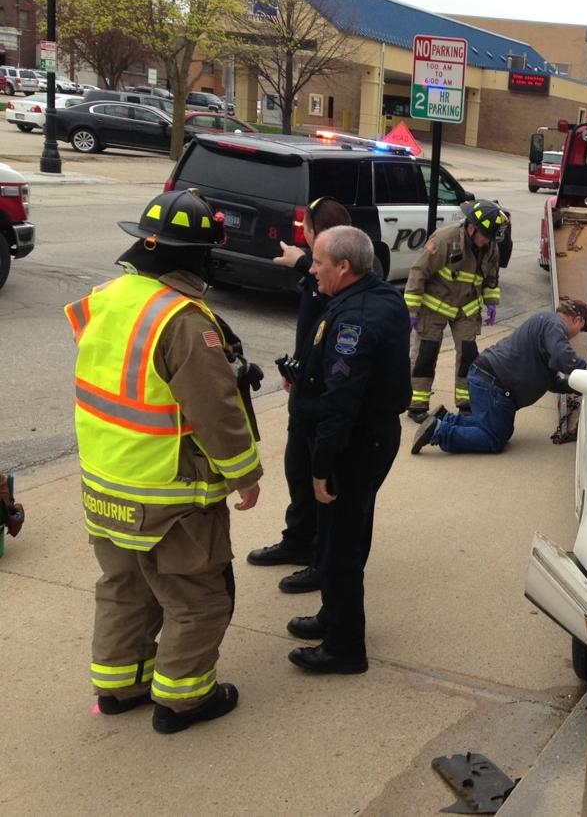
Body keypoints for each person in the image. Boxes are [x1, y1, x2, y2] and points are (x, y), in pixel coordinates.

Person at [65, 189, 261, 734]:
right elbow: (216, 411)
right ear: (194, 256)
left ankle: (120, 685)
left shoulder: (108, 297)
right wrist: (245, 474)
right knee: (199, 598)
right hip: (167, 499)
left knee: (124, 589)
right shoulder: (181, 319)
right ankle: (184, 699)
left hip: (104, 486)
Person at [286, 226, 411, 674]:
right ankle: (332, 615)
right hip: (371, 437)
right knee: (346, 532)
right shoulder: (378, 296)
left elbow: (342, 399)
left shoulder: (355, 319)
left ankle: (343, 648)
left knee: (340, 543)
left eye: (317, 262)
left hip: (354, 444)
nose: (312, 268)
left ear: (344, 267)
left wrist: (321, 464)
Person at [245, 197, 351, 595]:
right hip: (305, 388)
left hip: (324, 398)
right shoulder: (315, 270)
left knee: (318, 476)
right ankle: (297, 540)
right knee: (297, 468)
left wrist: (303, 263)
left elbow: (334, 306)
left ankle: (318, 558)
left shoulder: (333, 275)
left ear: (312, 230)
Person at [411, 299, 587, 456]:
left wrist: (576, 385)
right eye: (581, 330)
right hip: (494, 385)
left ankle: (445, 419)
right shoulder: (554, 324)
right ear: (577, 320)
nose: (576, 336)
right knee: (494, 437)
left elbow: (551, 382)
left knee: (490, 425)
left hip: (487, 378)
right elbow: (563, 356)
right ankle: (439, 431)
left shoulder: (546, 325)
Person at [403, 200, 505, 421]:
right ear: (471, 228)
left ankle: (466, 403)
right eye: (485, 235)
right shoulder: (444, 239)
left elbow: (491, 279)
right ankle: (417, 405)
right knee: (425, 355)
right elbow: (417, 273)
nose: (488, 241)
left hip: (466, 308)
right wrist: (412, 310)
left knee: (469, 356)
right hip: (434, 306)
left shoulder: (490, 247)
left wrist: (491, 302)